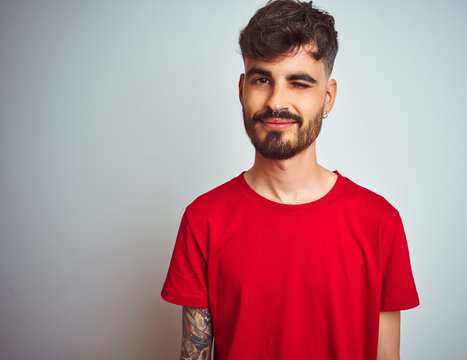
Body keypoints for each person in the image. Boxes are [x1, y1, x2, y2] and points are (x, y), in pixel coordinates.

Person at [161, 1, 419, 359]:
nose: (276, 101)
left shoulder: (380, 223)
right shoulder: (203, 220)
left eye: (298, 83)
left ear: (327, 98)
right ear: (241, 89)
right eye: (262, 79)